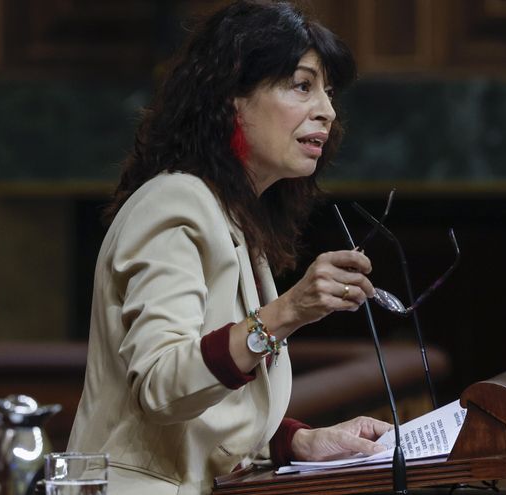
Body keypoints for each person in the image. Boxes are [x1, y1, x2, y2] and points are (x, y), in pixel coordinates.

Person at [67, 2, 392, 493]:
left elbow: (207, 411)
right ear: (231, 99)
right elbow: (161, 388)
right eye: (302, 86)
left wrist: (298, 443)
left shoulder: (234, 216)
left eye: (327, 91)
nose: (326, 110)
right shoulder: (174, 202)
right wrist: (286, 312)